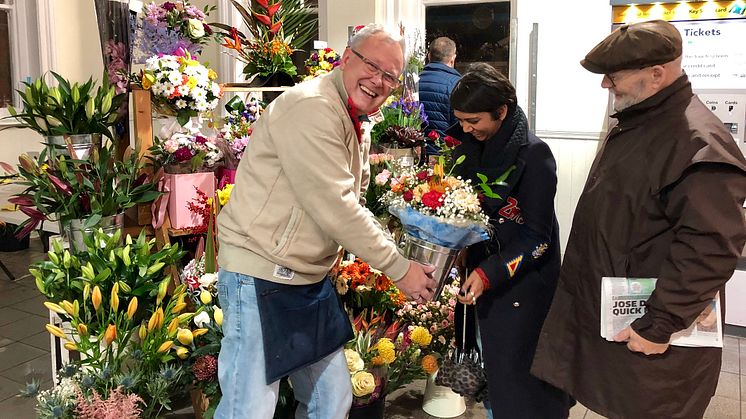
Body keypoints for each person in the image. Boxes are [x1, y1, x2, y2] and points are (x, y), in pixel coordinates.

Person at [215, 24, 438, 419]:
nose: (379, 81)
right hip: (261, 271)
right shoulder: (313, 107)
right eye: (373, 66)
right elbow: (336, 206)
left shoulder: (353, 117)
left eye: (390, 76)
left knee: (332, 396)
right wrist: (399, 266)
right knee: (247, 408)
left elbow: (352, 200)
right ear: (347, 58)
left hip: (306, 280)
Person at [531, 20, 746, 418]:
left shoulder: (698, 143)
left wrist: (659, 324)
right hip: (627, 327)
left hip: (655, 340)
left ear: (657, 74)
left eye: (613, 77)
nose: (605, 86)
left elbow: (711, 249)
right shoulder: (645, 122)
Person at [449, 63, 571, 419]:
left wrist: (490, 274)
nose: (467, 128)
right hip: (480, 276)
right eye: (461, 120)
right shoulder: (467, 146)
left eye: (474, 120)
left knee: (523, 381)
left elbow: (538, 238)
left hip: (522, 285)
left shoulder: (534, 155)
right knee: (490, 370)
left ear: (501, 111)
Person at [418, 36, 461, 153]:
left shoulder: (415, 81)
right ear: (453, 59)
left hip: (416, 154)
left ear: (429, 56)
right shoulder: (456, 84)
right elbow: (461, 126)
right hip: (444, 155)